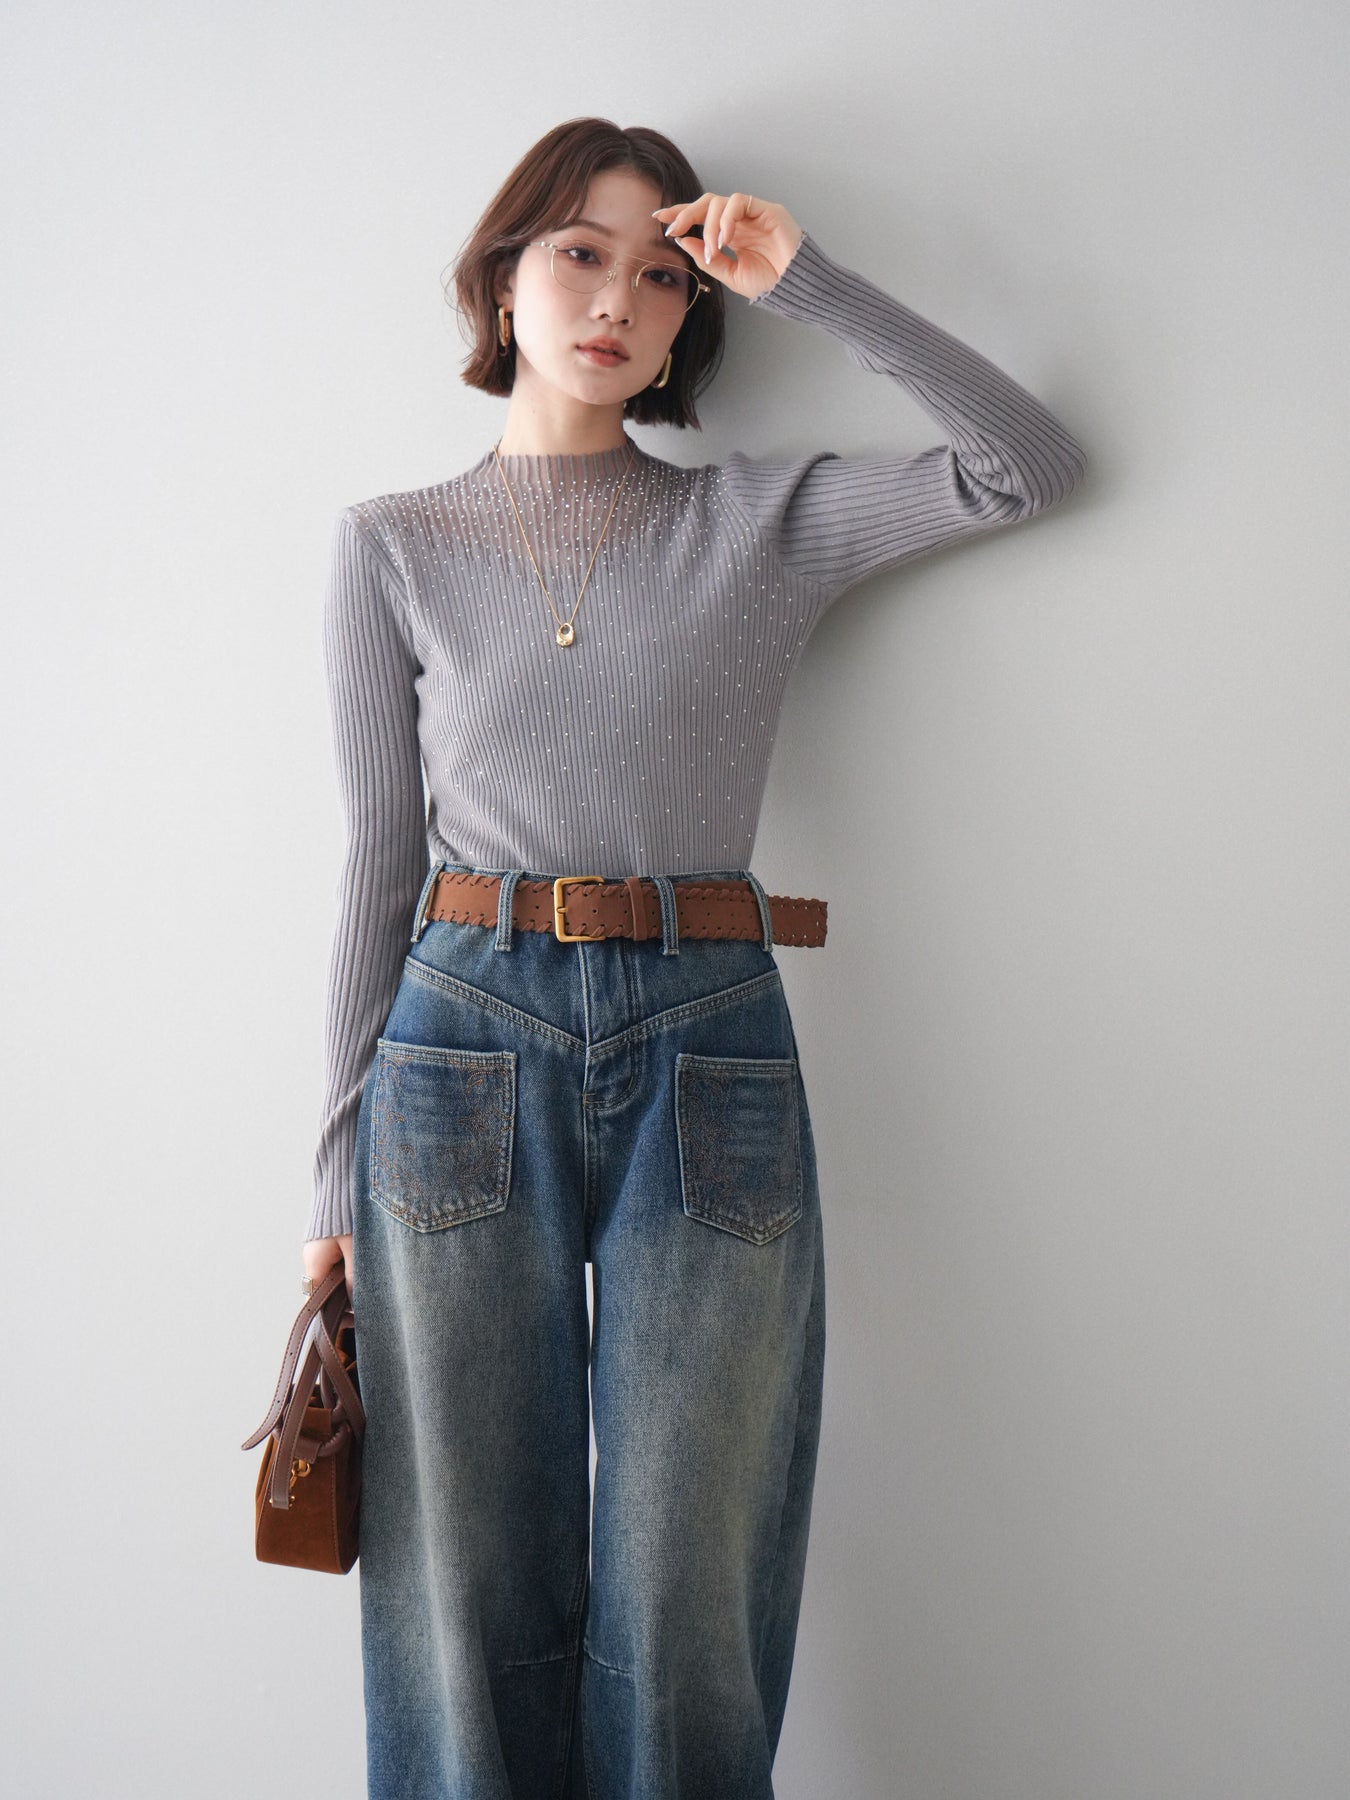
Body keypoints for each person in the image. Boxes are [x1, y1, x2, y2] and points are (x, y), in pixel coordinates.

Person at [299, 116, 1086, 1800]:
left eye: (660, 279)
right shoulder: (394, 542)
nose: (616, 301)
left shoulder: (760, 520)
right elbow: (375, 871)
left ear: (688, 327)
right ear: (500, 283)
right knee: (458, 1555)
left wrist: (811, 283)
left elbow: (1024, 465)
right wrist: (326, 1183)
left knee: (688, 1564)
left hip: (705, 1036)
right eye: (577, 256)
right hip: (455, 1045)